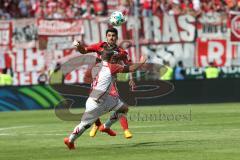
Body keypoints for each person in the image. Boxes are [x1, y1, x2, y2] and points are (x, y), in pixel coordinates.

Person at [64, 49, 146, 150]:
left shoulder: (97, 66)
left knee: (123, 108)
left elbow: (89, 77)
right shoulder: (111, 67)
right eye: (114, 57)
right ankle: (70, 140)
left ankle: (105, 126)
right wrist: (142, 62)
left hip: (103, 98)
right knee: (85, 125)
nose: (115, 58)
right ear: (111, 58)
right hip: (96, 103)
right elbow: (131, 68)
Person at [73, 27, 134, 139]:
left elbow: (129, 65)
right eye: (109, 35)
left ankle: (119, 129)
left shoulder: (121, 52)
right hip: (97, 78)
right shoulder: (100, 46)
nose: (111, 37)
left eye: (113, 36)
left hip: (110, 81)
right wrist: (79, 46)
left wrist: (131, 78)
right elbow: (84, 50)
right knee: (96, 103)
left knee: (119, 104)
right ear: (106, 37)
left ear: (117, 37)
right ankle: (100, 125)